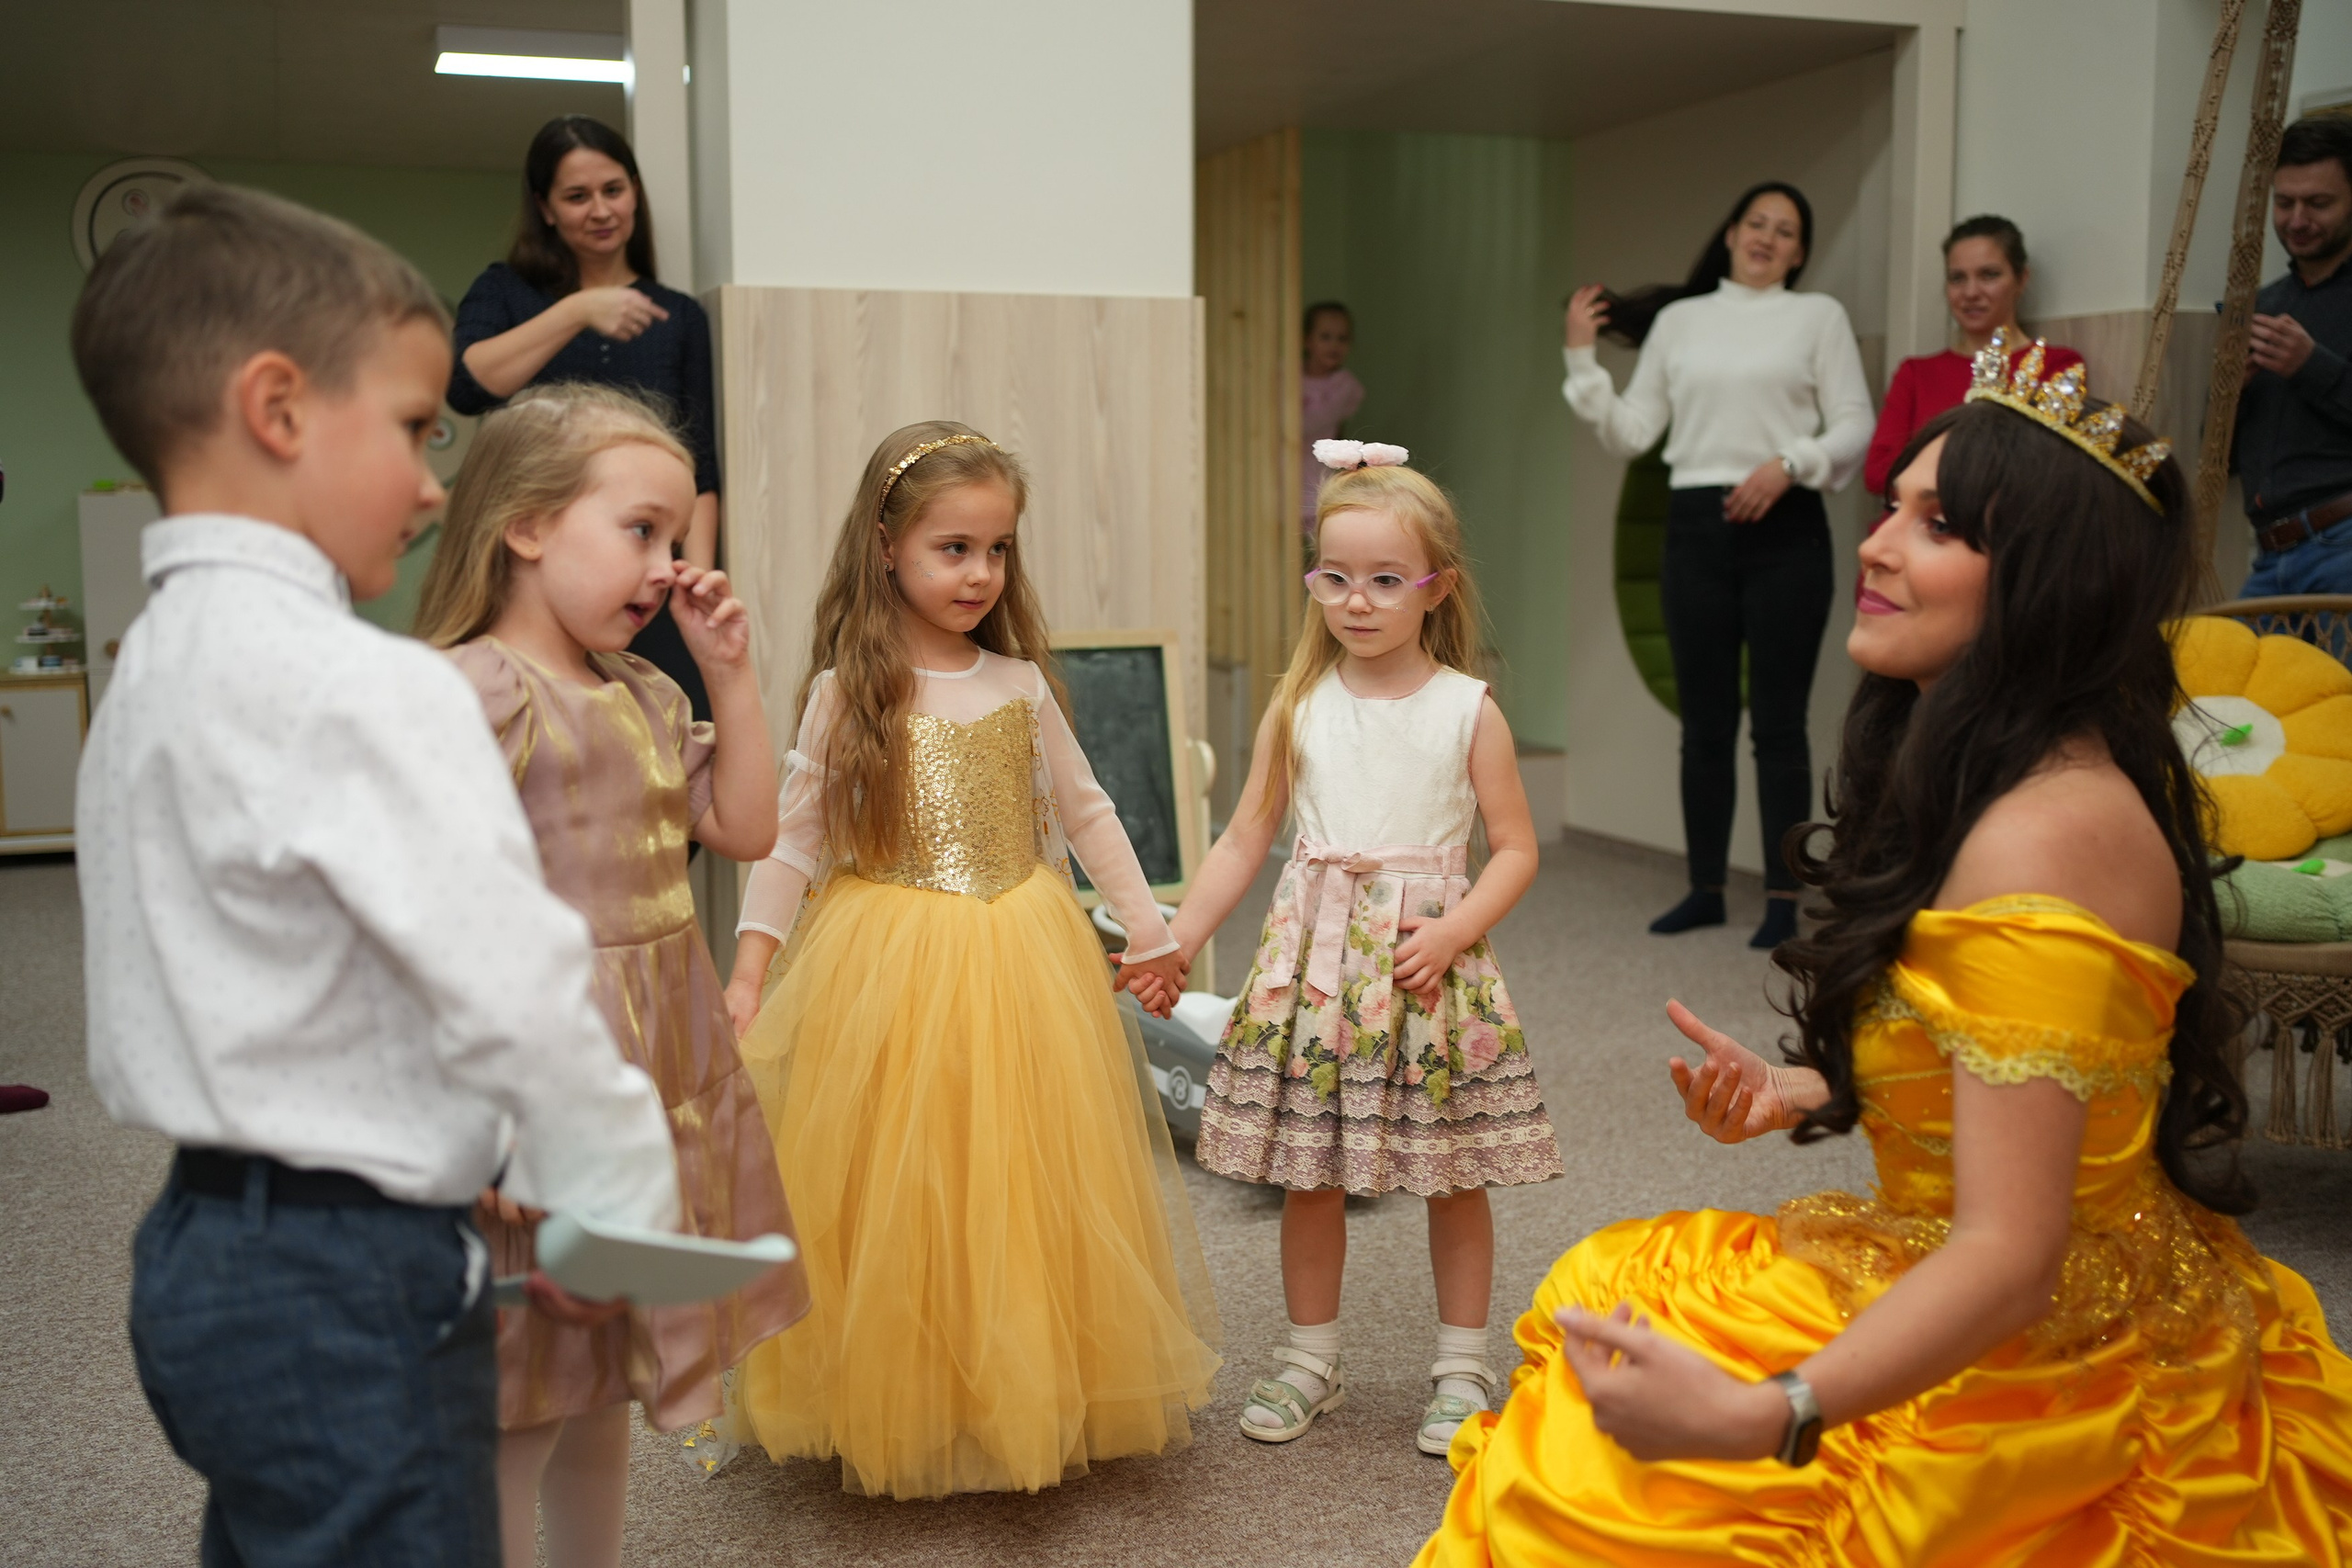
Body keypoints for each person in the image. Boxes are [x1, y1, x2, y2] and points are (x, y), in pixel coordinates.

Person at [1414, 349, 2352, 1566]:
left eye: (1938, 525)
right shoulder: (2013, 774)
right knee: (1617, 1297)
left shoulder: (2043, 834)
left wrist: (1769, 1414)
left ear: (2050, 582)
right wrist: (1810, 1086)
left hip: (2041, 1354)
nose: (1875, 545)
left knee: (1601, 1486)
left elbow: (2012, 1258)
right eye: (1891, 507)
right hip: (2030, 1261)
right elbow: (2054, 1085)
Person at [70, 184, 681, 1566]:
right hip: (347, 1276)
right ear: (278, 409)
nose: (431, 482)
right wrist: (610, 1203)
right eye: (413, 428)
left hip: (201, 1251)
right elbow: (514, 980)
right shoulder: (363, 686)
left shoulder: (154, 665)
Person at [719, 421, 1220, 1498]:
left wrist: (1150, 929)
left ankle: (1018, 1380)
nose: (980, 573)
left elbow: (1086, 812)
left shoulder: (1019, 683)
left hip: (1021, 947)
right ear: (886, 545)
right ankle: (907, 1388)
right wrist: (751, 969)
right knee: (902, 1173)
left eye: (996, 550)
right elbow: (792, 842)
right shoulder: (849, 690)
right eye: (953, 549)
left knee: (1021, 1170)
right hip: (889, 954)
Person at [413, 385, 808, 1568]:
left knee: (602, 1377)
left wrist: (731, 675)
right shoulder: (476, 690)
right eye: (641, 530)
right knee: (521, 1393)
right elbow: (428, 924)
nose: (668, 564)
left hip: (656, 1066)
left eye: (677, 537)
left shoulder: (645, 690)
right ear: (527, 526)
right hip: (541, 1075)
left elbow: (746, 828)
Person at [1172, 442, 1562, 1457]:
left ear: (1437, 588)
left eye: (1386, 580)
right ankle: (1311, 1357)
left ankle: (1461, 1362)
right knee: (1311, 1171)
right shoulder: (1298, 704)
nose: (1357, 601)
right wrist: (1179, 938)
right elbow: (1243, 838)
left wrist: (1458, 927)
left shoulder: (1467, 710)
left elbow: (1516, 848)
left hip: (1424, 969)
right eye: (1336, 577)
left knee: (1450, 1172)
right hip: (1314, 972)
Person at [1562, 181, 1873, 949]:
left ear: (1799, 252)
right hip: (1695, 527)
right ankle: (1704, 888)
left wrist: (1789, 464)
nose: (1767, 237)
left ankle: (1781, 898)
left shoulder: (1818, 317)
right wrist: (1581, 357)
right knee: (1704, 725)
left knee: (1779, 724)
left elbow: (1853, 424)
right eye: (1756, 222)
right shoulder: (1681, 321)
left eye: (1785, 230)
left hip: (1787, 524)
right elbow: (1634, 431)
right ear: (1731, 233)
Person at [447, 115, 721, 720]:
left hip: (647, 567)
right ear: (545, 209)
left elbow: (701, 465)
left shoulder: (678, 317)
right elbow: (467, 384)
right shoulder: (504, 290)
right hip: (532, 568)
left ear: (635, 194)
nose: (600, 210)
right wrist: (577, 311)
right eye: (577, 196)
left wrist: (694, 574)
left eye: (613, 190)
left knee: (667, 727)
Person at [1864, 215, 2081, 498]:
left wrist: (1928, 473)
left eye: (1989, 275)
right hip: (1913, 524)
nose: (1970, 292)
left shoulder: (2057, 366)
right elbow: (1877, 472)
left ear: (2021, 279)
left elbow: (2049, 470)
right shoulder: (1916, 373)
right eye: (1957, 278)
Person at [2236, 116, 2352, 597]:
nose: (2298, 221)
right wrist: (2231, 393)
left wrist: (2312, 365)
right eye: (2284, 203)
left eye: (2318, 203)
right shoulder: (2263, 304)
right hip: (2268, 557)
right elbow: (2221, 457)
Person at [1302, 301, 1366, 533]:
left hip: (1317, 472)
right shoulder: (1286, 374)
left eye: (1342, 338)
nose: (1334, 345)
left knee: (1319, 531)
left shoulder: (1345, 386)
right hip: (1281, 471)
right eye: (1326, 337)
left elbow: (1311, 424)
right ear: (1307, 340)